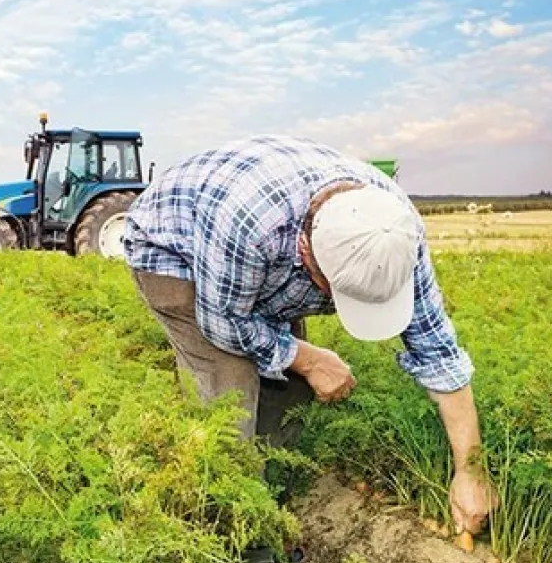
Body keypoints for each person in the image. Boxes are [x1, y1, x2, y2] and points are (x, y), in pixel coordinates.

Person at [122, 134, 497, 537]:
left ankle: (270, 488)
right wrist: (311, 358)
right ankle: (230, 527)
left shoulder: (394, 230)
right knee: (229, 389)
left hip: (257, 255)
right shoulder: (251, 225)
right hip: (175, 250)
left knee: (290, 386)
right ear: (306, 252)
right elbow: (224, 323)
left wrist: (470, 469)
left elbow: (437, 350)